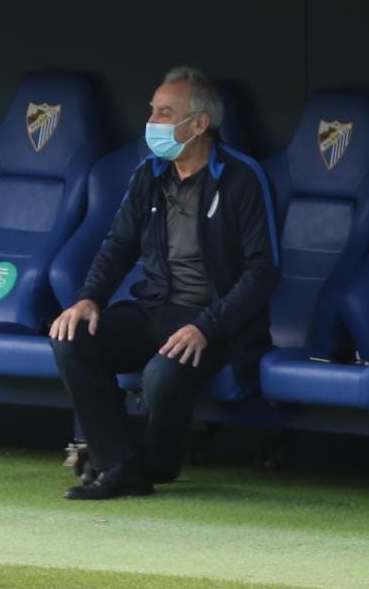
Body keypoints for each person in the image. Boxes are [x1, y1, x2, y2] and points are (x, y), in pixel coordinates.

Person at [49, 67, 279, 500]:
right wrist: (88, 299)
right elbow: (117, 246)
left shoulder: (242, 178)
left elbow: (263, 272)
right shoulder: (148, 175)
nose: (152, 121)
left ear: (198, 124)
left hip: (216, 323)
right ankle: (118, 464)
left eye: (164, 112)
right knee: (70, 338)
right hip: (155, 309)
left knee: (161, 374)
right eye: (152, 111)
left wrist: (207, 327)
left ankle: (154, 464)